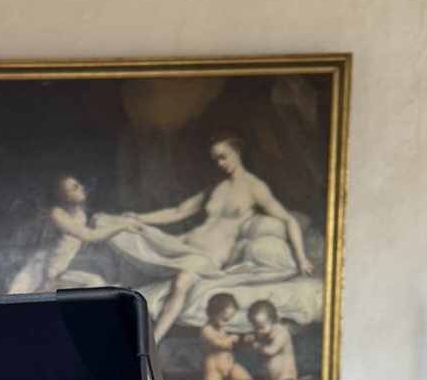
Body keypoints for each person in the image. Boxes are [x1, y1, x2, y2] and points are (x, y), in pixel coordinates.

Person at [76, 133, 315, 342]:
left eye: (224, 156)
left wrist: (301, 258)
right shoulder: (215, 187)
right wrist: (141, 217)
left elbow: (289, 220)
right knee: (123, 225)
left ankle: (153, 341)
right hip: (179, 245)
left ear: (237, 150)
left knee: (181, 281)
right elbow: (178, 211)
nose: (220, 163)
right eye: (216, 159)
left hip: (207, 257)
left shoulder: (255, 187)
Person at [8, 175, 101, 293]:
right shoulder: (57, 215)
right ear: (64, 196)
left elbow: (80, 237)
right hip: (41, 275)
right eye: (75, 187)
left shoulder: (79, 215)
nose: (82, 188)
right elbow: (46, 262)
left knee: (96, 282)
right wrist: (122, 226)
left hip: (57, 273)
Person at [199, 292, 254, 380]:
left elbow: (230, 348)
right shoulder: (207, 330)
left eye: (228, 320)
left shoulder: (221, 329)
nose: (225, 323)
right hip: (214, 371)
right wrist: (232, 338)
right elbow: (220, 344)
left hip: (230, 368)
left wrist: (244, 343)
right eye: (224, 319)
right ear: (212, 313)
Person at [245, 299, 299, 380]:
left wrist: (258, 346)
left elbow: (271, 351)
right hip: (270, 379)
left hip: (285, 378)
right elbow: (255, 334)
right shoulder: (263, 330)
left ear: (273, 321)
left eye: (261, 327)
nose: (258, 330)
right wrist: (250, 337)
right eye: (255, 327)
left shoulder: (281, 333)